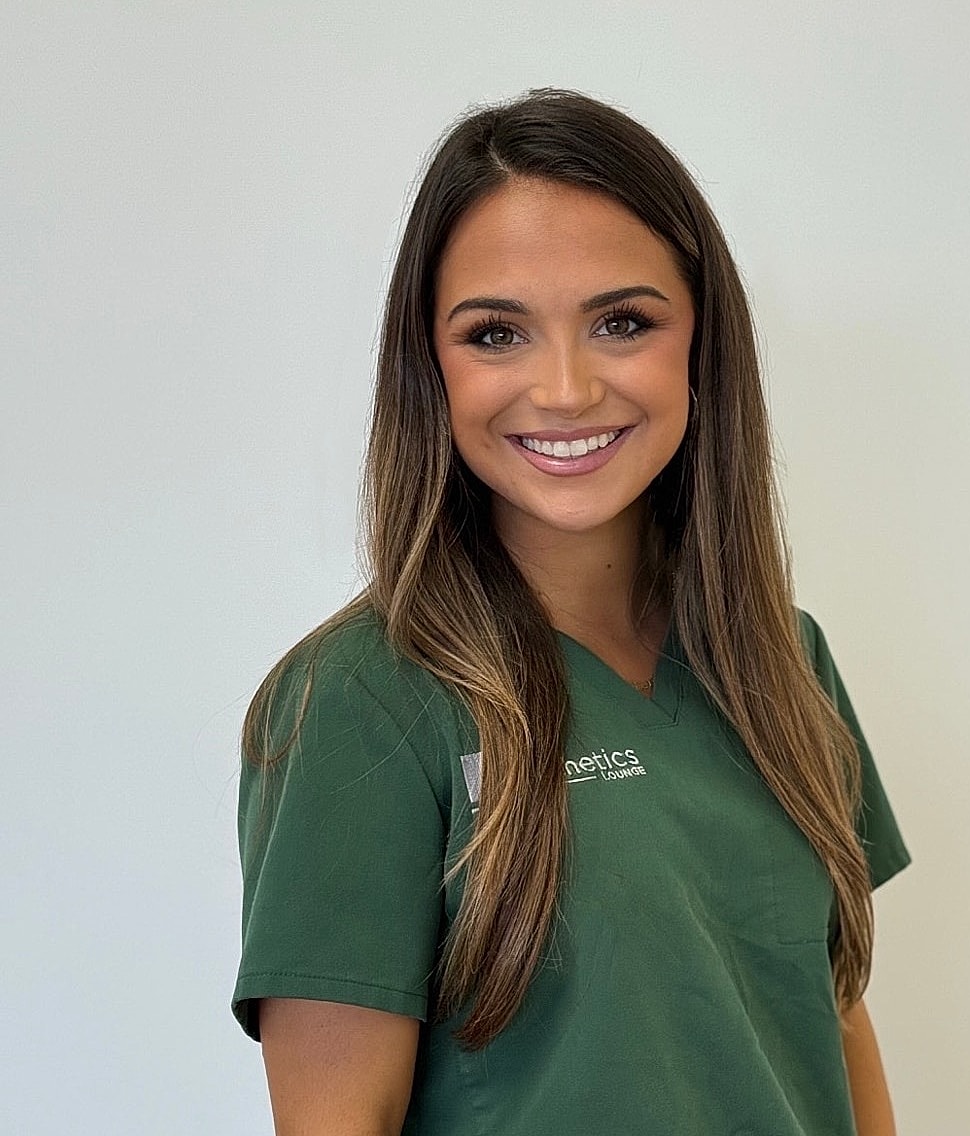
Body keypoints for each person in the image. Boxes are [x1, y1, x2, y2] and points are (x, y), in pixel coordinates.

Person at [232, 88, 911, 1136]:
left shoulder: (780, 656)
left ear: (700, 342)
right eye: (496, 332)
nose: (560, 387)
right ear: (431, 364)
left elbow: (829, 1011)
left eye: (621, 321)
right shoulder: (360, 702)